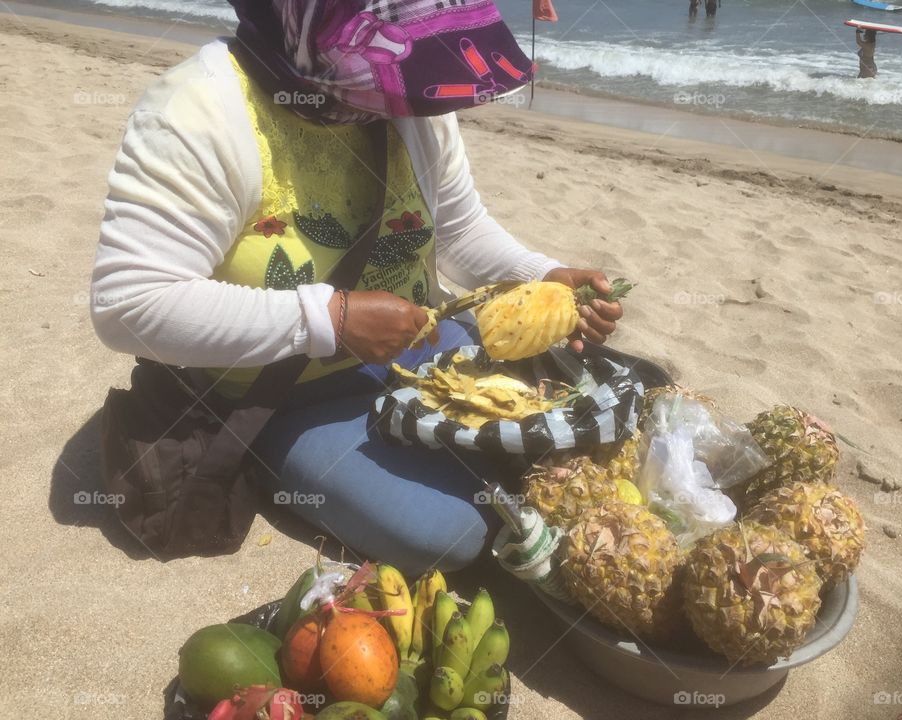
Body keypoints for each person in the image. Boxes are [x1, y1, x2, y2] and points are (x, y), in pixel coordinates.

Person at [91, 0, 624, 574]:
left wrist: (541, 275)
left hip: (421, 353)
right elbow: (129, 302)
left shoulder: (411, 83)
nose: (409, 79)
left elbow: (460, 227)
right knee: (450, 531)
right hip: (287, 389)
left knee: (606, 404)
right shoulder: (199, 111)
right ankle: (277, 458)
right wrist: (331, 321)